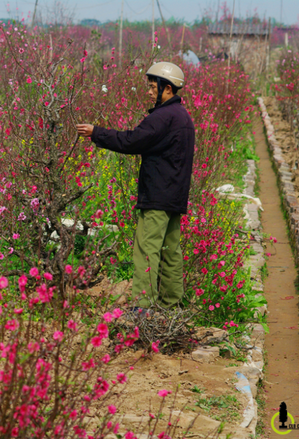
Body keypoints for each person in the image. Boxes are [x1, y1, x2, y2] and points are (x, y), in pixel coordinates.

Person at [76, 62, 195, 311]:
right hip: (174, 197)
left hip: (157, 197)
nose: (150, 92)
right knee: (170, 250)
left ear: (169, 89)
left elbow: (131, 141)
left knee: (146, 251)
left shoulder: (162, 117)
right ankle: (172, 304)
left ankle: (142, 307)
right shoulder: (183, 116)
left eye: (154, 87)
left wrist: (96, 132)